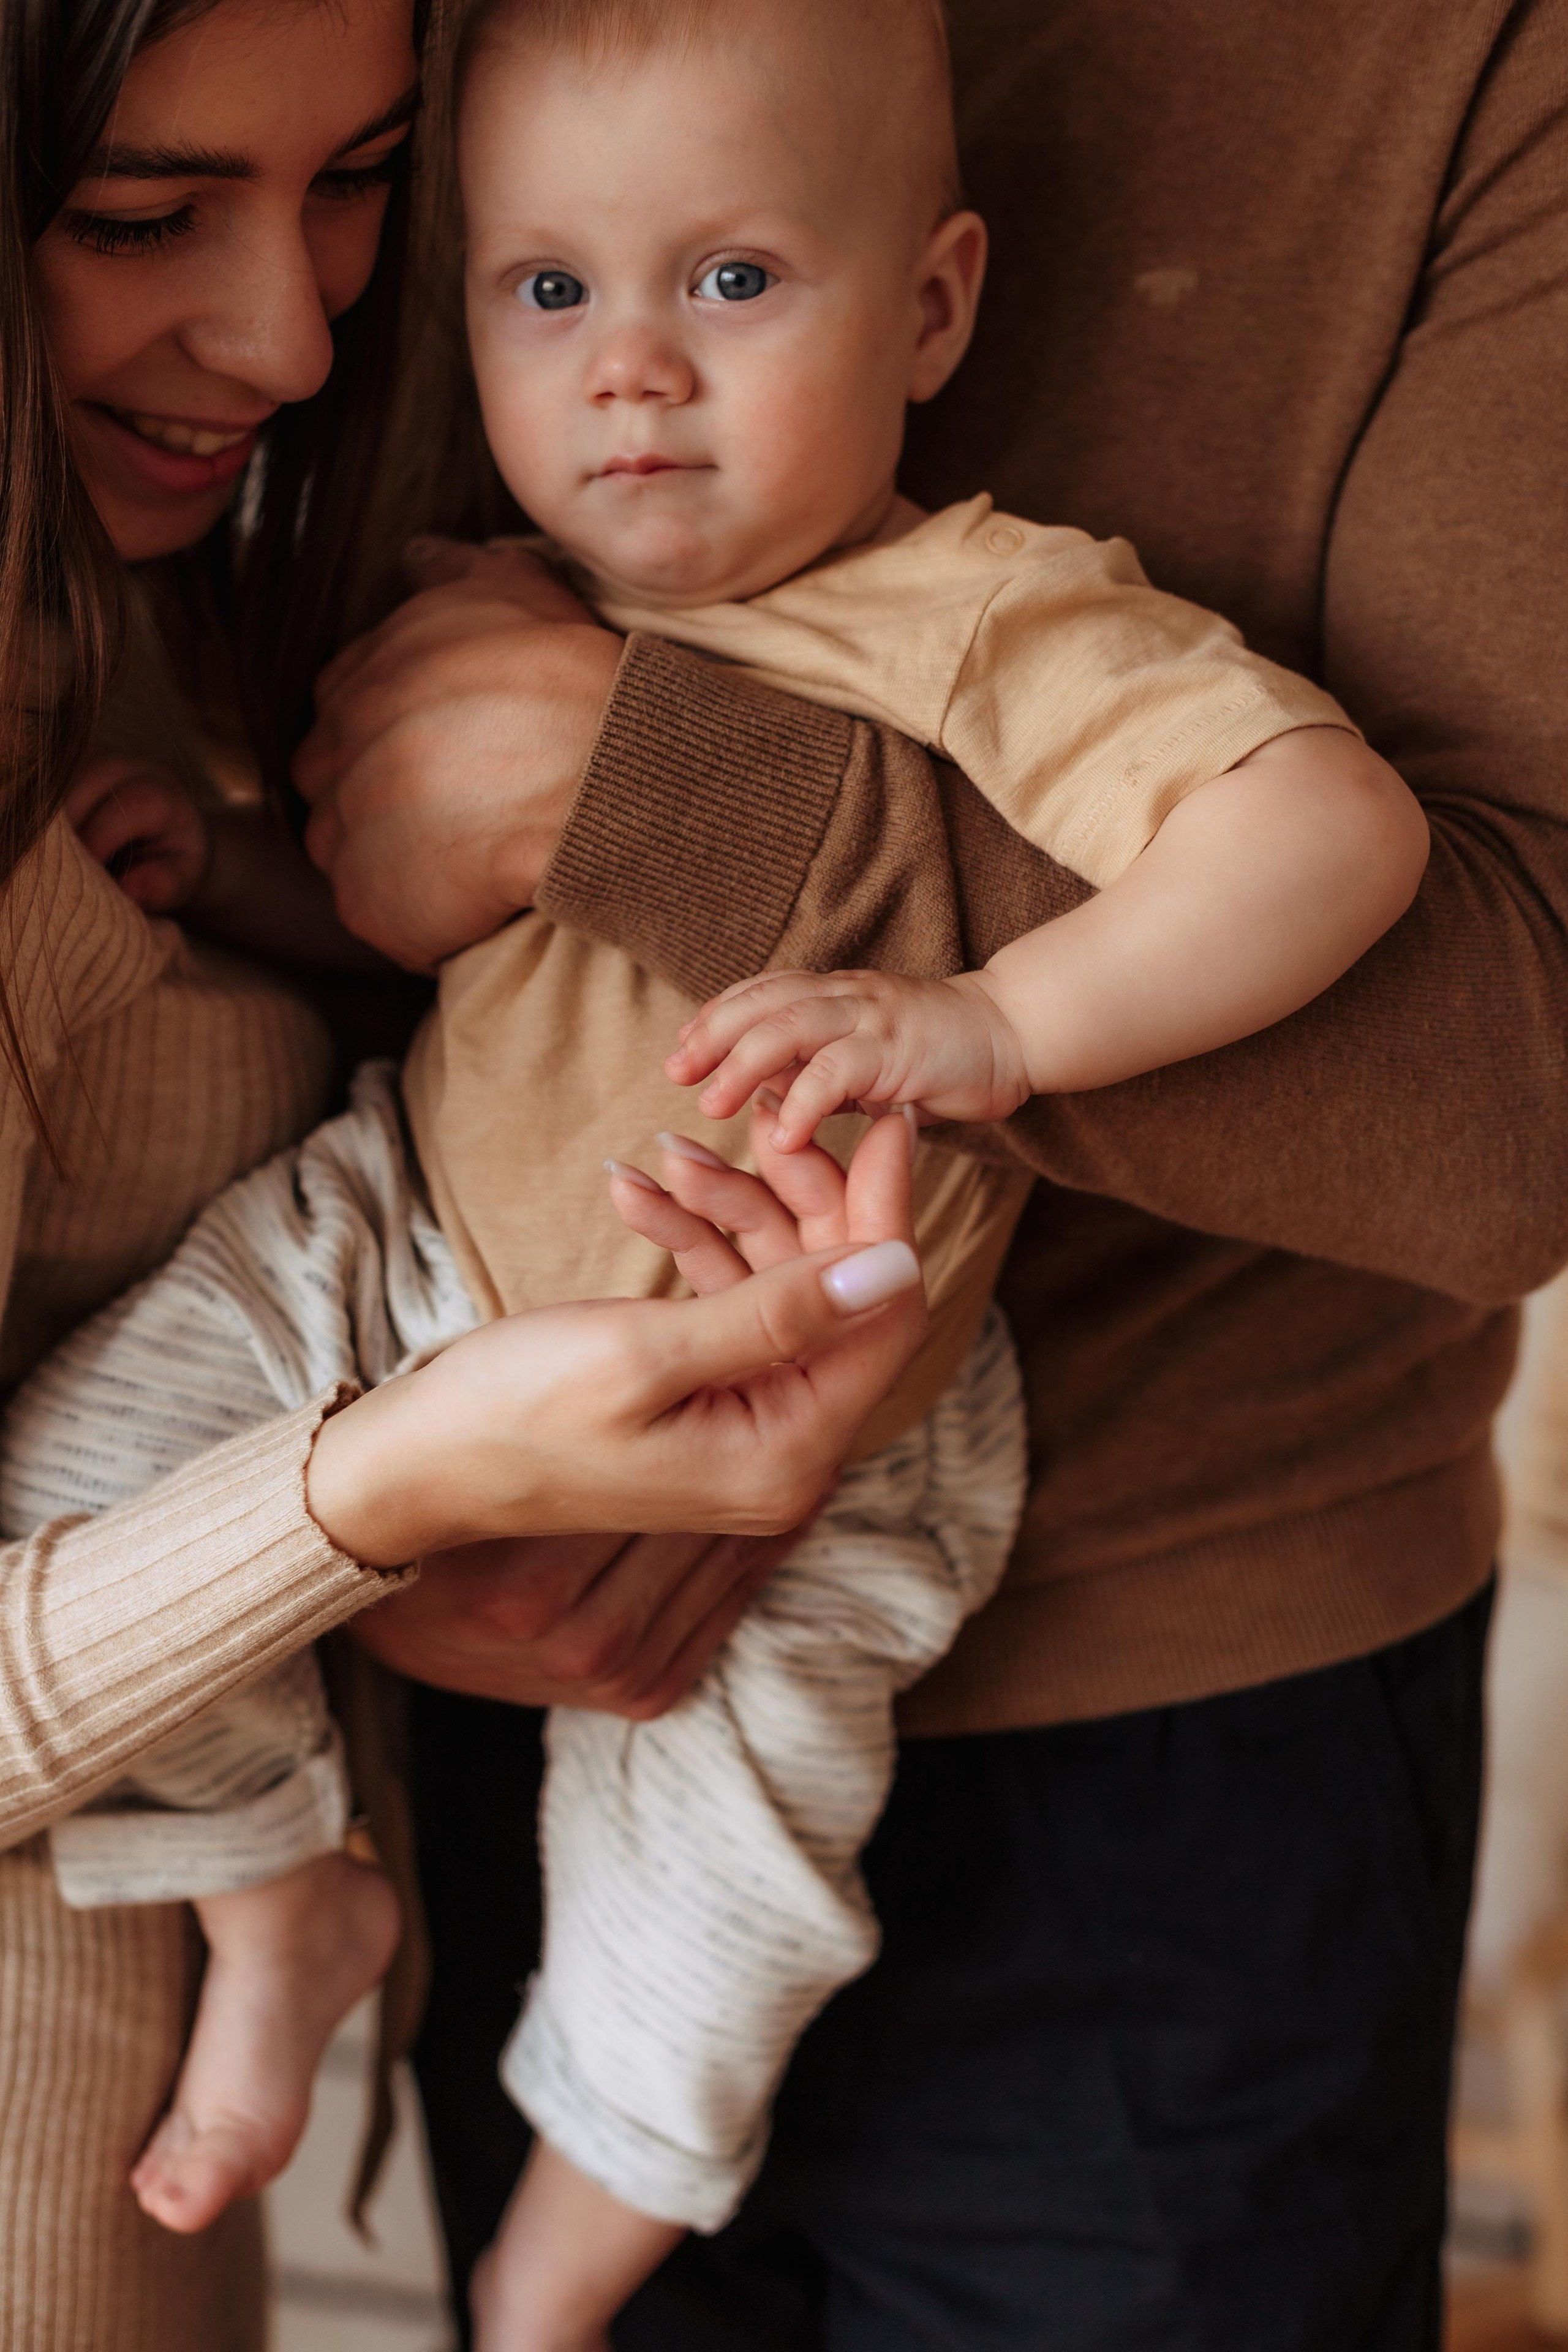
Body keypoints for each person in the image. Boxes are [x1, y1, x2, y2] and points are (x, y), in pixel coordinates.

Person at [9, 0, 1430, 2342]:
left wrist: (993, 1019)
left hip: (823, 1402)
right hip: (397, 1249)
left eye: (732, 283)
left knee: (713, 1869)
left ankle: (557, 2288)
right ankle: (280, 1905)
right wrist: (238, 887)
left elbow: (1329, 832)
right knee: (93, 1473)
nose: (630, 374)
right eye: (548, 292)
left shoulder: (980, 606)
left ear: (937, 306)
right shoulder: (494, 596)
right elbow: (418, 932)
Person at [0, 0, 929, 2340]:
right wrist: (370, 1500)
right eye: (140, 216)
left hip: (152, 2181)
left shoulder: (175, 618)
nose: (298, 335)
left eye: (361, 181)